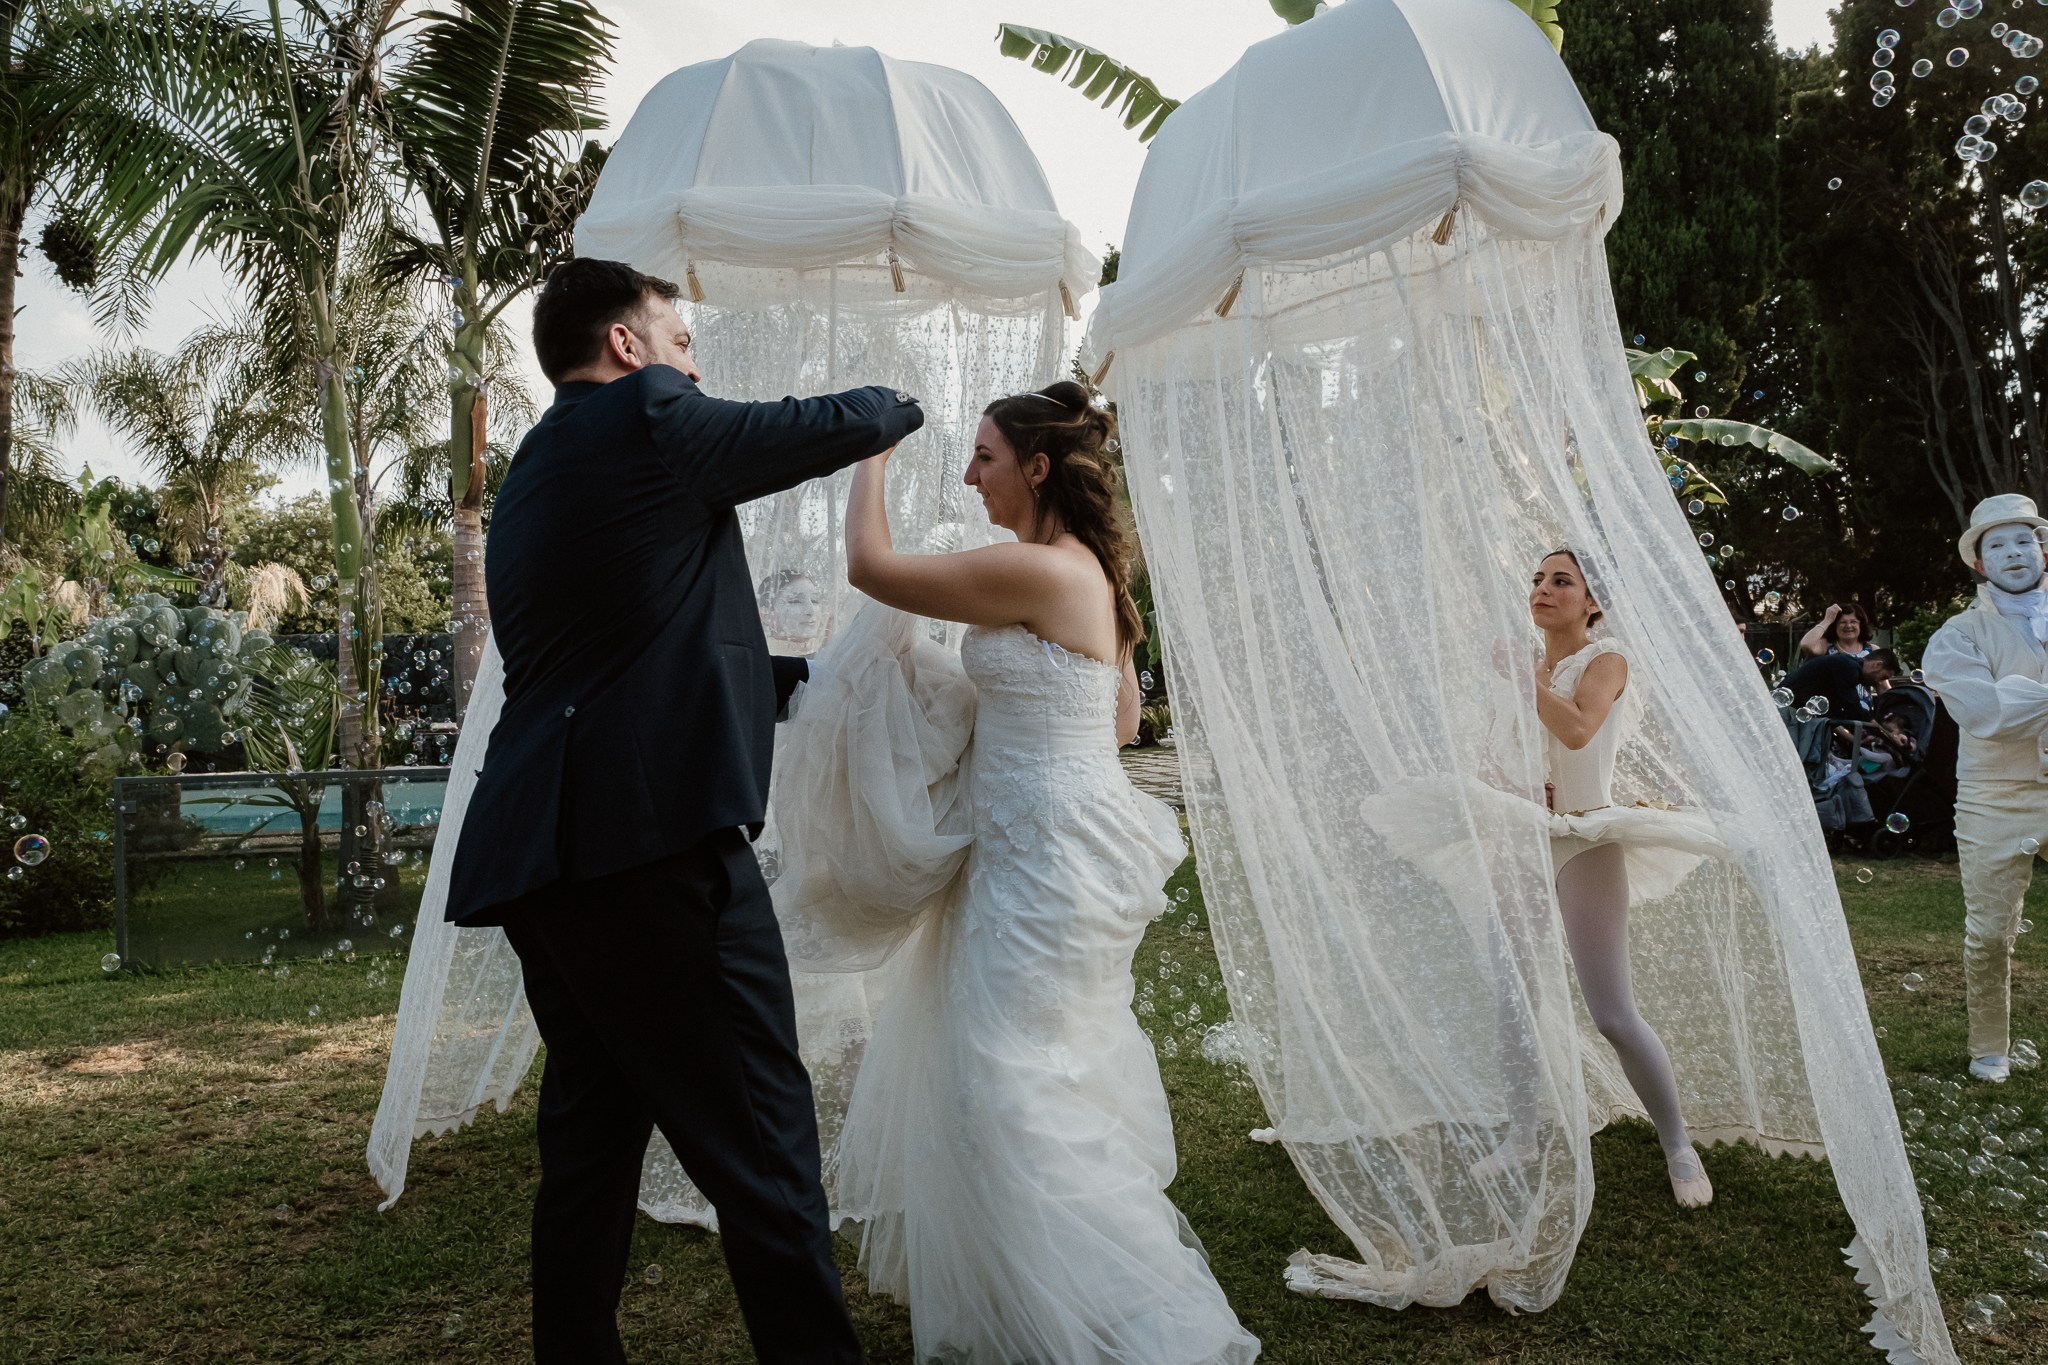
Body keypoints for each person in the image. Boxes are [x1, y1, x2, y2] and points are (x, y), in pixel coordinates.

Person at [444, 257, 924, 1364]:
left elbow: (629, 649)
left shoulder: (535, 472)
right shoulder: (647, 416)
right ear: (626, 345)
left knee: (592, 1139)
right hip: (649, 854)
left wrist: (800, 681)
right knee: (763, 1140)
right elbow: (822, 423)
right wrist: (891, 410)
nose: (691, 364)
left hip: (541, 857)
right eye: (681, 339)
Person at [825, 381, 1260, 1363]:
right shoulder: (1078, 576)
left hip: (1045, 863)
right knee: (1016, 1074)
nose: (968, 473)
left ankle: (1149, 1327)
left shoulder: (1040, 571)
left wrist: (870, 452)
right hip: (1035, 848)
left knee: (1012, 1086)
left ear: (1034, 467)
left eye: (982, 455)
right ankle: (1034, 1302)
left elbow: (870, 566)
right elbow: (1108, 724)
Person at [1529, 550, 1713, 1207]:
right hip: (1524, 834)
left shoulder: (1606, 659)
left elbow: (1578, 730)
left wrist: (1524, 684)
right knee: (1513, 995)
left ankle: (1677, 1143)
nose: (1543, 589)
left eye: (1561, 581)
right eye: (1538, 579)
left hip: (1586, 838)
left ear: (1592, 601)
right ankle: (1522, 1132)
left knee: (1611, 1012)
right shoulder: (1530, 662)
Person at [1921, 493, 2048, 1085]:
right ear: (1979, 562)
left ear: (2040, 548)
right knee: (1990, 932)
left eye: (2022, 539)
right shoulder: (1955, 635)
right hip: (1992, 794)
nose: (2013, 553)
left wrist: (2020, 696)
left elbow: (2008, 701)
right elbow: (1988, 714)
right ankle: (1989, 1048)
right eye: (1997, 544)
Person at [1783, 646, 1900, 723]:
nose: (1880, 682)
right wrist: (1878, 728)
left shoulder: (1845, 665)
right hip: (1788, 712)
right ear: (1877, 665)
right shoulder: (1848, 668)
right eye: (1883, 677)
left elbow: (1835, 711)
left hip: (1791, 710)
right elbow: (1852, 706)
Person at [757, 568, 828, 656]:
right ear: (766, 615)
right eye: (795, 601)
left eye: (814, 600)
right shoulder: (759, 659)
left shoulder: (830, 659)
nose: (811, 610)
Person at [1800, 601, 1876, 659]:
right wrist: (1827, 620)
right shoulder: (1826, 646)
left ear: (1861, 625)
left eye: (1853, 622)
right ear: (1835, 626)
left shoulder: (1873, 650)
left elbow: (1882, 677)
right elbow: (1806, 644)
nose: (1848, 626)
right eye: (1843, 622)